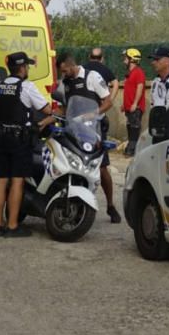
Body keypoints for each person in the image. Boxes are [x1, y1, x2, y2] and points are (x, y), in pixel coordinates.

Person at [0, 52, 54, 238]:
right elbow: (46, 109)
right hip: (19, 139)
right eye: (27, 66)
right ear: (23, 68)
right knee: (17, 180)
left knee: (1, 180)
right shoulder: (27, 86)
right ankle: (12, 225)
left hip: (1, 138)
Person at [55, 52, 121, 223]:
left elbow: (107, 101)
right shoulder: (66, 83)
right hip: (73, 129)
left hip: (94, 130)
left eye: (64, 71)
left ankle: (110, 205)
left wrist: (93, 114)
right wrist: (50, 116)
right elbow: (64, 107)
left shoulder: (92, 77)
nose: (63, 75)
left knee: (102, 167)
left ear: (71, 65)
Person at [82, 49, 121, 222]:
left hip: (82, 123)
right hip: (97, 123)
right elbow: (116, 83)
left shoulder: (83, 69)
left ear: (89, 57)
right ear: (102, 58)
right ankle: (111, 206)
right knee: (102, 166)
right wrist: (109, 99)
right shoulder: (104, 70)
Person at [121, 48, 146, 156]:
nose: (123, 60)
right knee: (130, 127)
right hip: (129, 107)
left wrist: (135, 103)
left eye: (125, 58)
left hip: (135, 107)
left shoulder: (138, 72)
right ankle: (131, 148)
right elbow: (128, 91)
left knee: (134, 128)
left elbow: (140, 88)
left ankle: (132, 149)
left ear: (132, 59)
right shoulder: (130, 73)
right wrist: (124, 104)